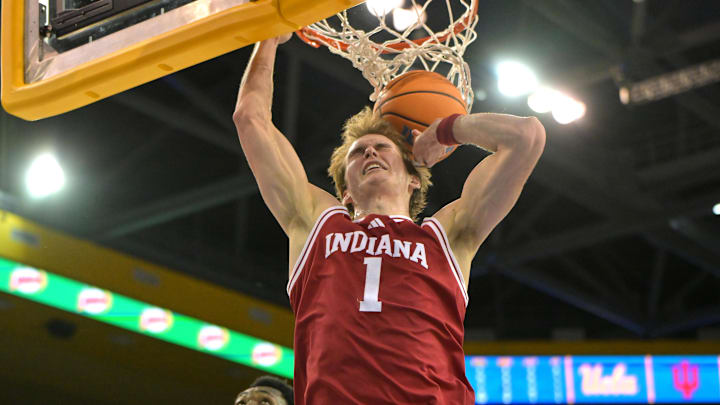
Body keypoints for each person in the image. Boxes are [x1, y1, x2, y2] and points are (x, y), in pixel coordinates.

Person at [233, 33, 545, 405]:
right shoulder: (316, 222)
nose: (369, 153)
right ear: (345, 191)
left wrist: (448, 129)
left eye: (382, 147)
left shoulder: (448, 234)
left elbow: (527, 136)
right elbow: (249, 118)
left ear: (413, 178)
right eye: (357, 153)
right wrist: (268, 36)